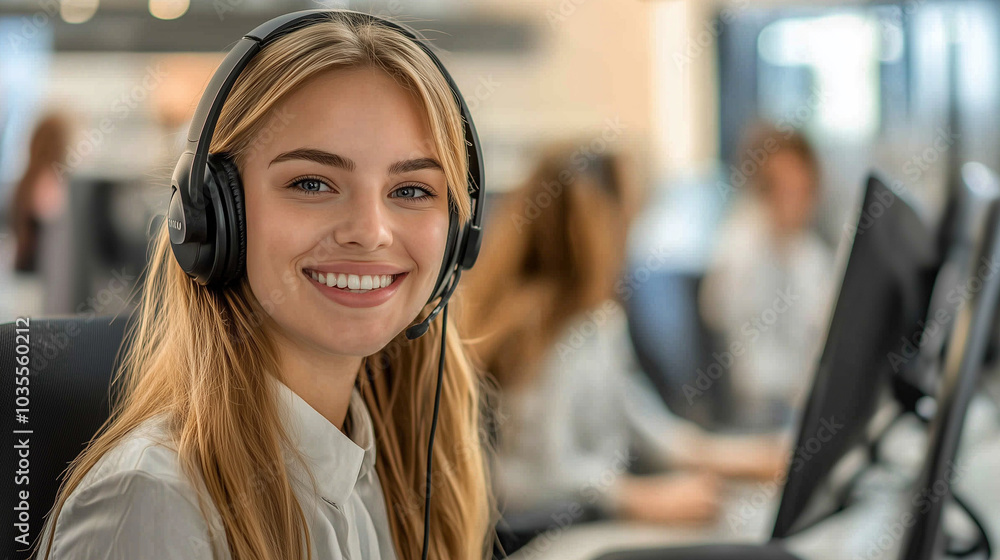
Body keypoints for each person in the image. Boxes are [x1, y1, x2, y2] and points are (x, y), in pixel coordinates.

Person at [36, 11, 496, 560]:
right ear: (213, 218)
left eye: (413, 190)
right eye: (312, 183)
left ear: (457, 238)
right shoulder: (154, 504)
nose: (370, 232)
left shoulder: (387, 474)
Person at [459, 142, 787, 528]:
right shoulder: (532, 330)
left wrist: (755, 459)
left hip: (593, 523)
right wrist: (637, 498)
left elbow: (646, 430)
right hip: (546, 533)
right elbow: (538, 474)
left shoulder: (600, 323)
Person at [699, 123, 834, 432]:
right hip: (759, 413)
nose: (792, 201)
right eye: (779, 189)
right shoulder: (737, 247)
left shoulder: (811, 256)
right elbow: (747, 371)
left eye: (800, 190)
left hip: (802, 404)